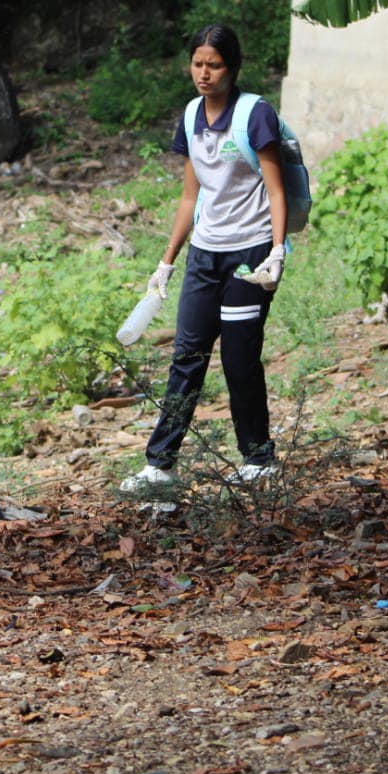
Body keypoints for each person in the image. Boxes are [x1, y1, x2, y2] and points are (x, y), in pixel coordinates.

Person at [120, 25, 288, 493]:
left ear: (232, 69)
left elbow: (276, 190)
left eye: (213, 65)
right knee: (186, 358)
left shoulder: (255, 115)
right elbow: (190, 195)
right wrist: (166, 261)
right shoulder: (192, 115)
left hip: (249, 256)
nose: (204, 73)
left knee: (238, 360)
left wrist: (277, 252)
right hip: (204, 255)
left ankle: (259, 459)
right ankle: (160, 465)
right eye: (197, 64)